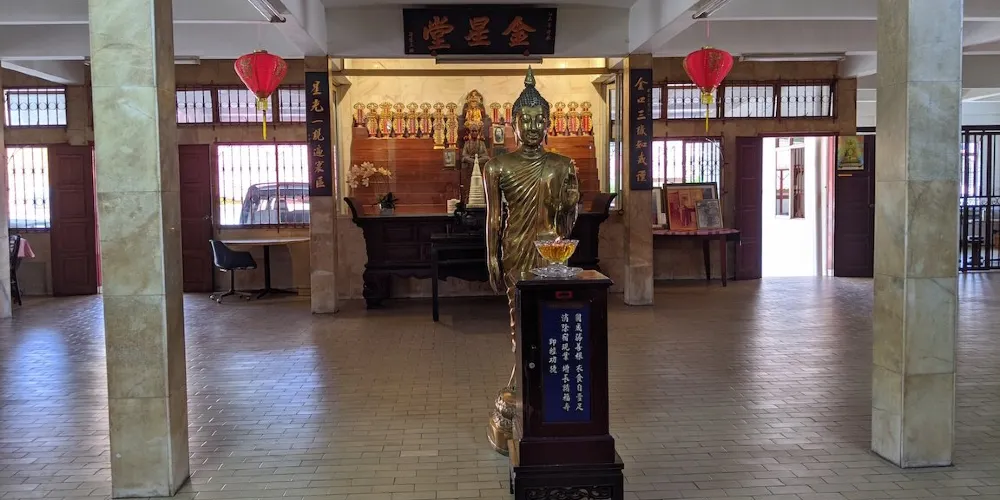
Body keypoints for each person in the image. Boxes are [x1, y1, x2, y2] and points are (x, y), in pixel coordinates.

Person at [483, 67, 581, 454]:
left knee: (549, 319)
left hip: (551, 252)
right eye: (527, 120)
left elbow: (566, 222)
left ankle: (530, 386)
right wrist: (491, 257)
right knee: (519, 322)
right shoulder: (497, 166)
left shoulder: (561, 164)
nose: (534, 127)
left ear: (549, 122)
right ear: (513, 123)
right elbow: (494, 218)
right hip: (515, 249)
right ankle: (521, 384)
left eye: (541, 120)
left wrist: (571, 204)